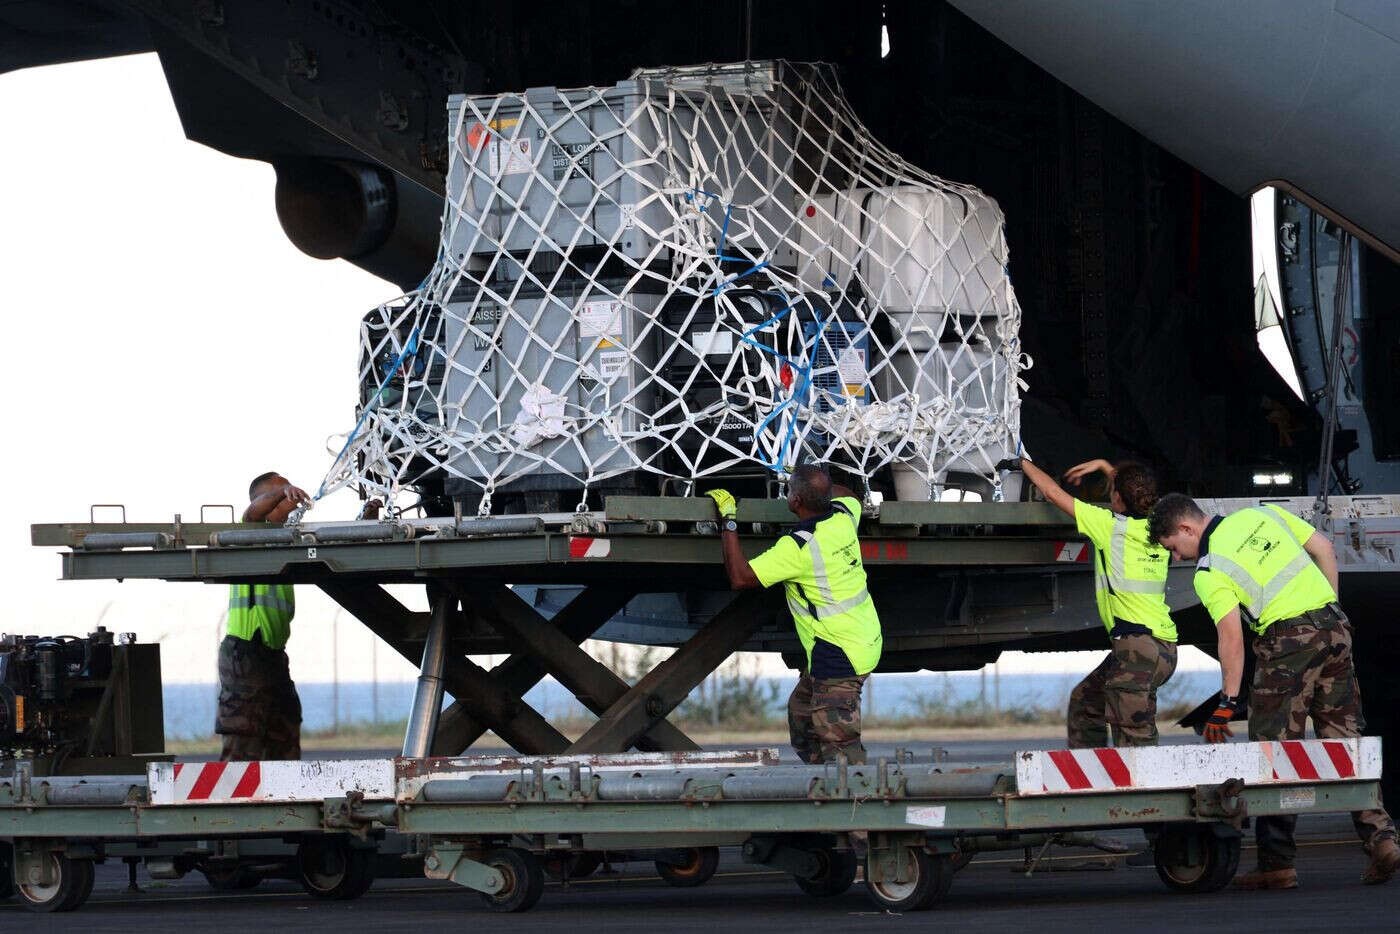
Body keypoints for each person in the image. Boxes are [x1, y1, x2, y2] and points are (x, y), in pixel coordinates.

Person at [1149, 493, 1400, 888]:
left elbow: (1230, 639)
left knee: (1275, 752)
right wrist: (1332, 609)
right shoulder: (1264, 515)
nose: (1177, 557)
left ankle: (1276, 863)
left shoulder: (1210, 569)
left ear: (1186, 528)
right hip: (1334, 630)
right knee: (1346, 742)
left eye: (1173, 547)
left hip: (1287, 645)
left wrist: (1228, 702)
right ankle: (1382, 838)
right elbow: (1324, 549)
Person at [707, 464, 882, 764]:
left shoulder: (798, 546)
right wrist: (813, 481)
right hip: (860, 640)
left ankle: (852, 801)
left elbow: (740, 577)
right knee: (801, 715)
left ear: (796, 502)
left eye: (790, 490)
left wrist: (729, 521)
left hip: (839, 656)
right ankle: (825, 783)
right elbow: (848, 494)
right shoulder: (843, 518)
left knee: (843, 753)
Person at [1000, 455, 1176, 748]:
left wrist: (1022, 464)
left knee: (1135, 741)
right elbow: (1133, 491)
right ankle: (1095, 775)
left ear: (1117, 498)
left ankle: (1140, 792)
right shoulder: (1159, 524)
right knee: (1086, 704)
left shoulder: (1109, 527)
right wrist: (1105, 467)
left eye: (1112, 493)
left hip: (1136, 648)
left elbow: (1053, 494)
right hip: (1164, 649)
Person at [215, 472, 309, 761]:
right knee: (243, 739)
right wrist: (282, 492)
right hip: (246, 650)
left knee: (284, 730)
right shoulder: (250, 533)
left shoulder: (286, 538)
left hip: (272, 654)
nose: (288, 497)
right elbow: (251, 513)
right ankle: (231, 802)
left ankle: (286, 800)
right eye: (280, 492)